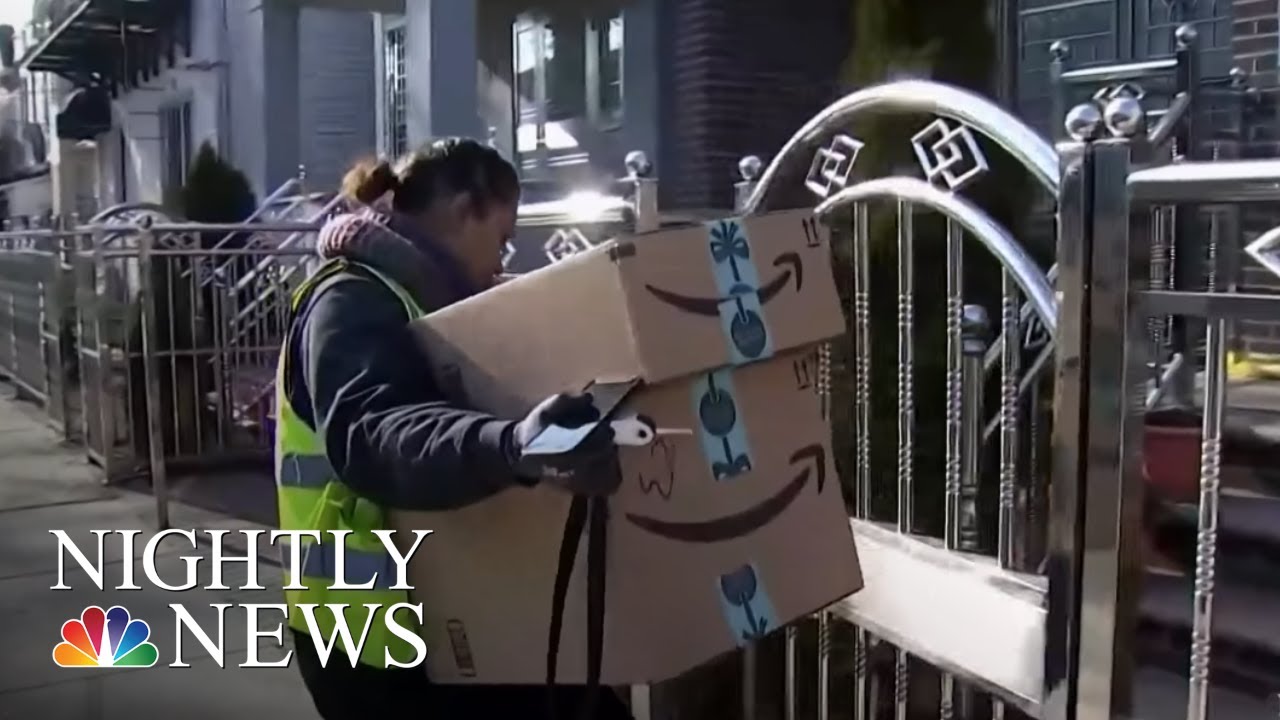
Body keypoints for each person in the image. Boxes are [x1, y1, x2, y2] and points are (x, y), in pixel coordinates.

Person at [274, 138, 633, 719]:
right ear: (465, 209)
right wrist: (512, 445)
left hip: (443, 618)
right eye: (501, 239)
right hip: (374, 646)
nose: (500, 263)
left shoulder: (425, 301)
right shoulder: (351, 300)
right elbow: (375, 431)